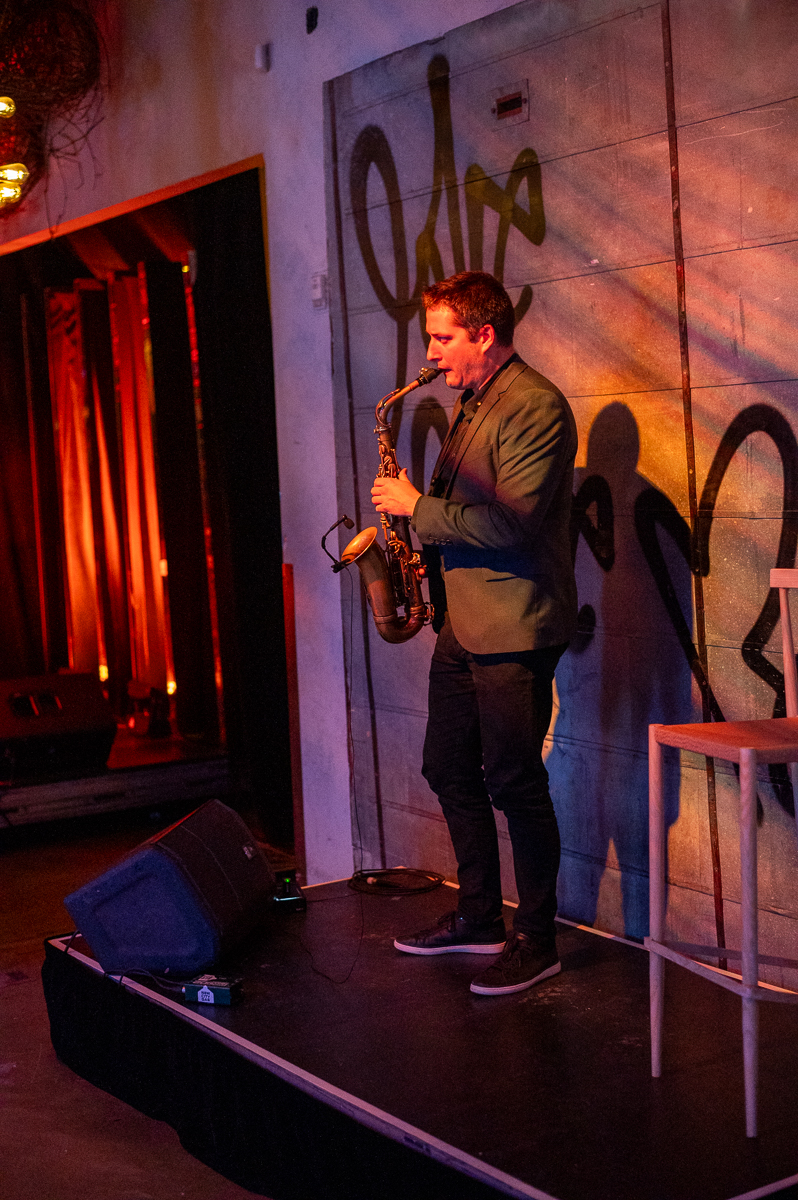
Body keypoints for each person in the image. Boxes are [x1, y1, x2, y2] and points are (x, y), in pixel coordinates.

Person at [371, 271, 577, 996]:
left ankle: (538, 940)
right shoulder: (475, 400)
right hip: (464, 619)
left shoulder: (535, 405)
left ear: (484, 335)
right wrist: (412, 534)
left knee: (515, 780)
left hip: (515, 625)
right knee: (447, 766)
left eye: (441, 338)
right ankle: (480, 916)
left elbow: (512, 524)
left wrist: (417, 508)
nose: (430, 354)